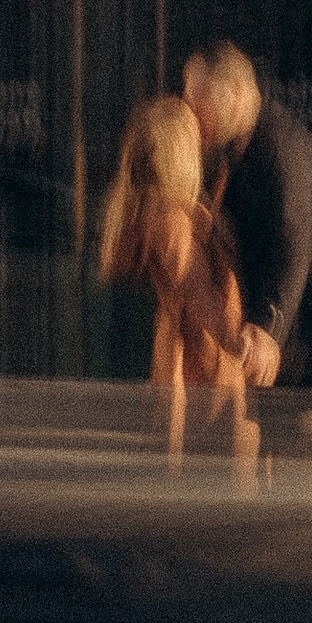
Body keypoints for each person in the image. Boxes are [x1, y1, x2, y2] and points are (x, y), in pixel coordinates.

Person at [183, 41, 312, 451]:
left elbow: (291, 245)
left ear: (236, 93)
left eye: (200, 100)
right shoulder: (237, 150)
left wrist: (267, 329)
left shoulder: (284, 148)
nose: (193, 113)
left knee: (301, 476)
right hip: (286, 366)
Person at [98, 94, 260, 472]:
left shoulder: (167, 211)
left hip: (198, 372)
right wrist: (246, 349)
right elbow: (200, 300)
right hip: (206, 377)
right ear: (179, 151)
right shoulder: (170, 220)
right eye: (193, 136)